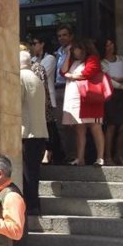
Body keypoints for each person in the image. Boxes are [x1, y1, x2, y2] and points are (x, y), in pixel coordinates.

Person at [61, 39, 105, 166]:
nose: (74, 51)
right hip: (75, 100)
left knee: (95, 126)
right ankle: (80, 158)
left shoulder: (92, 59)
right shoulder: (73, 61)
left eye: (75, 48)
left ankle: (100, 157)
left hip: (89, 99)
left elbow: (88, 72)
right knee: (79, 129)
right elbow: (62, 71)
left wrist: (71, 76)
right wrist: (68, 55)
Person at [20, 50, 48, 214]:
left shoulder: (20, 77)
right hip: (40, 132)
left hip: (27, 133)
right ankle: (34, 205)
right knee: (33, 172)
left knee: (27, 173)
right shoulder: (36, 78)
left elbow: (15, 103)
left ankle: (31, 206)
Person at [101, 37, 123, 165]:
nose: (110, 47)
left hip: (121, 96)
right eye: (107, 45)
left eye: (111, 44)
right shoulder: (102, 63)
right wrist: (121, 84)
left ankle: (119, 154)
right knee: (111, 126)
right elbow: (108, 80)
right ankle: (108, 156)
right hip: (110, 95)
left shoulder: (121, 59)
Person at [30, 36, 60, 164]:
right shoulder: (32, 60)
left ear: (42, 44)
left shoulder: (50, 58)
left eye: (35, 43)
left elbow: (41, 74)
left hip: (47, 99)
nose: (33, 46)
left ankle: (49, 152)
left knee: (49, 126)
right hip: (35, 99)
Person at [54, 24, 75, 161]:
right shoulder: (58, 52)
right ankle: (67, 155)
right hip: (58, 89)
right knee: (61, 125)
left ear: (71, 36)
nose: (61, 38)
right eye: (59, 36)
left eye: (64, 35)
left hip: (70, 88)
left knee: (72, 124)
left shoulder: (75, 50)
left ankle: (75, 155)